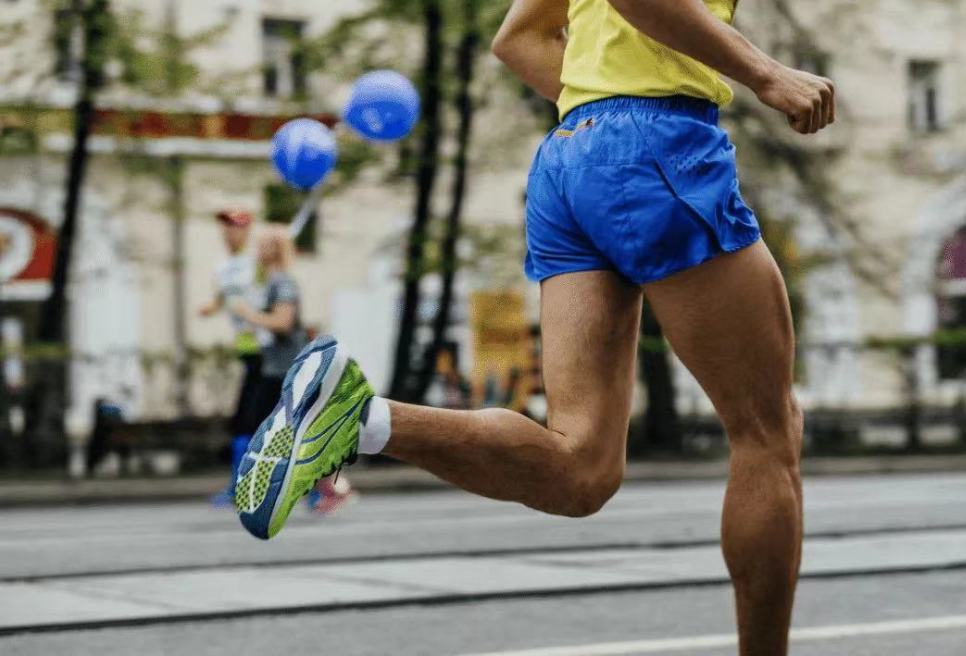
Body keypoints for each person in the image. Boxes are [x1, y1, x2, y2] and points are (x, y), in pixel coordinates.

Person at [236, 1, 834, 652]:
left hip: (572, 156)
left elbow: (518, 38)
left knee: (581, 470)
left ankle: (360, 419)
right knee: (767, 434)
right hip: (658, 143)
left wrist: (605, 113)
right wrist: (765, 72)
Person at [231, 225, 355, 517]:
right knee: (285, 431)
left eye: (260, 245)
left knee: (278, 431)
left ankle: (325, 489)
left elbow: (283, 322)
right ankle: (318, 490)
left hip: (285, 371)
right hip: (274, 368)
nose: (256, 250)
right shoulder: (272, 282)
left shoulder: (283, 283)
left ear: (272, 250)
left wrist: (248, 314)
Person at [199, 209, 261, 506]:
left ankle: (240, 486)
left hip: (267, 352)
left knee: (248, 422)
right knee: (252, 422)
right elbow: (224, 297)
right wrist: (211, 307)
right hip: (248, 351)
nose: (229, 232)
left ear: (248, 231)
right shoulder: (223, 266)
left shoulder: (257, 263)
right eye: (225, 227)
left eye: (236, 227)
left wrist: (254, 315)